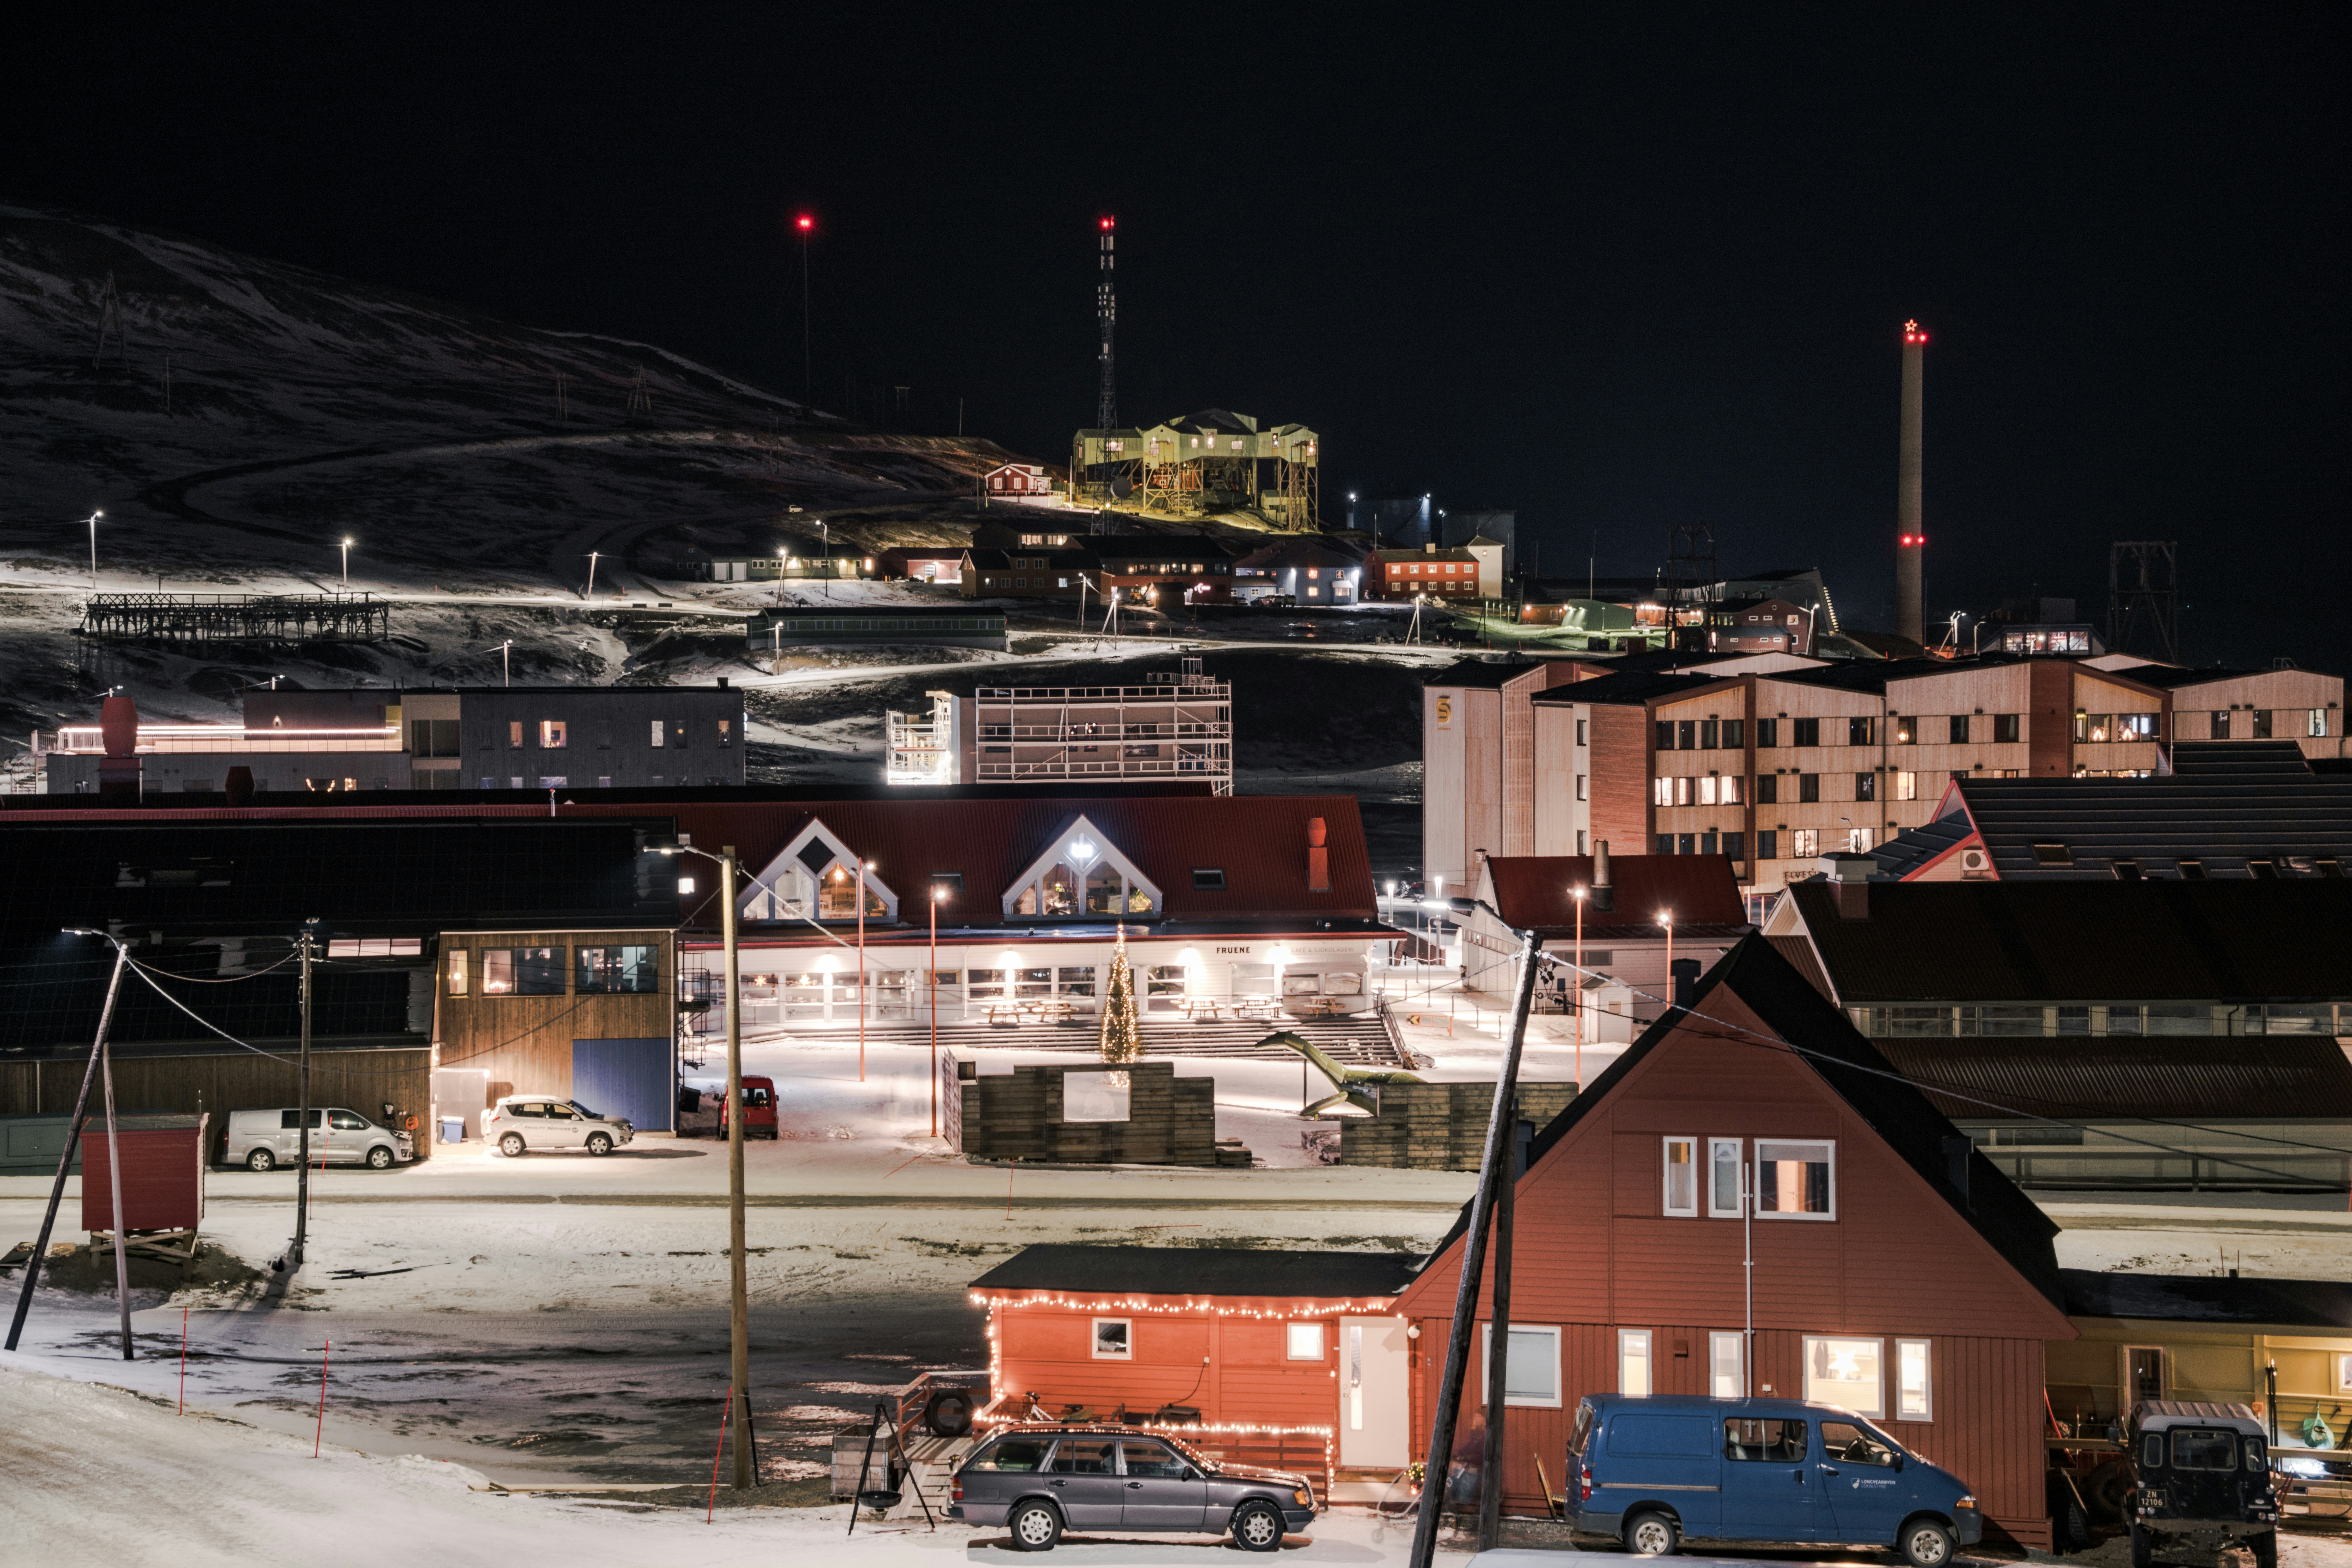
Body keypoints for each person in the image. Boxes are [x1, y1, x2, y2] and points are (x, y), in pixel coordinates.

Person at [1447, 1409, 1487, 1515]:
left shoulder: (1484, 1435)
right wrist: (1458, 1455)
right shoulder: (1475, 1434)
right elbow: (1468, 1448)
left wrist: (1467, 1459)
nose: (1477, 1420)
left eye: (1480, 1417)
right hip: (1472, 1464)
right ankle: (1453, 1496)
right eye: (1476, 1417)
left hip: (1480, 1468)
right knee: (1454, 1467)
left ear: (1484, 1420)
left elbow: (1482, 1454)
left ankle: (1463, 1500)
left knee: (1468, 1472)